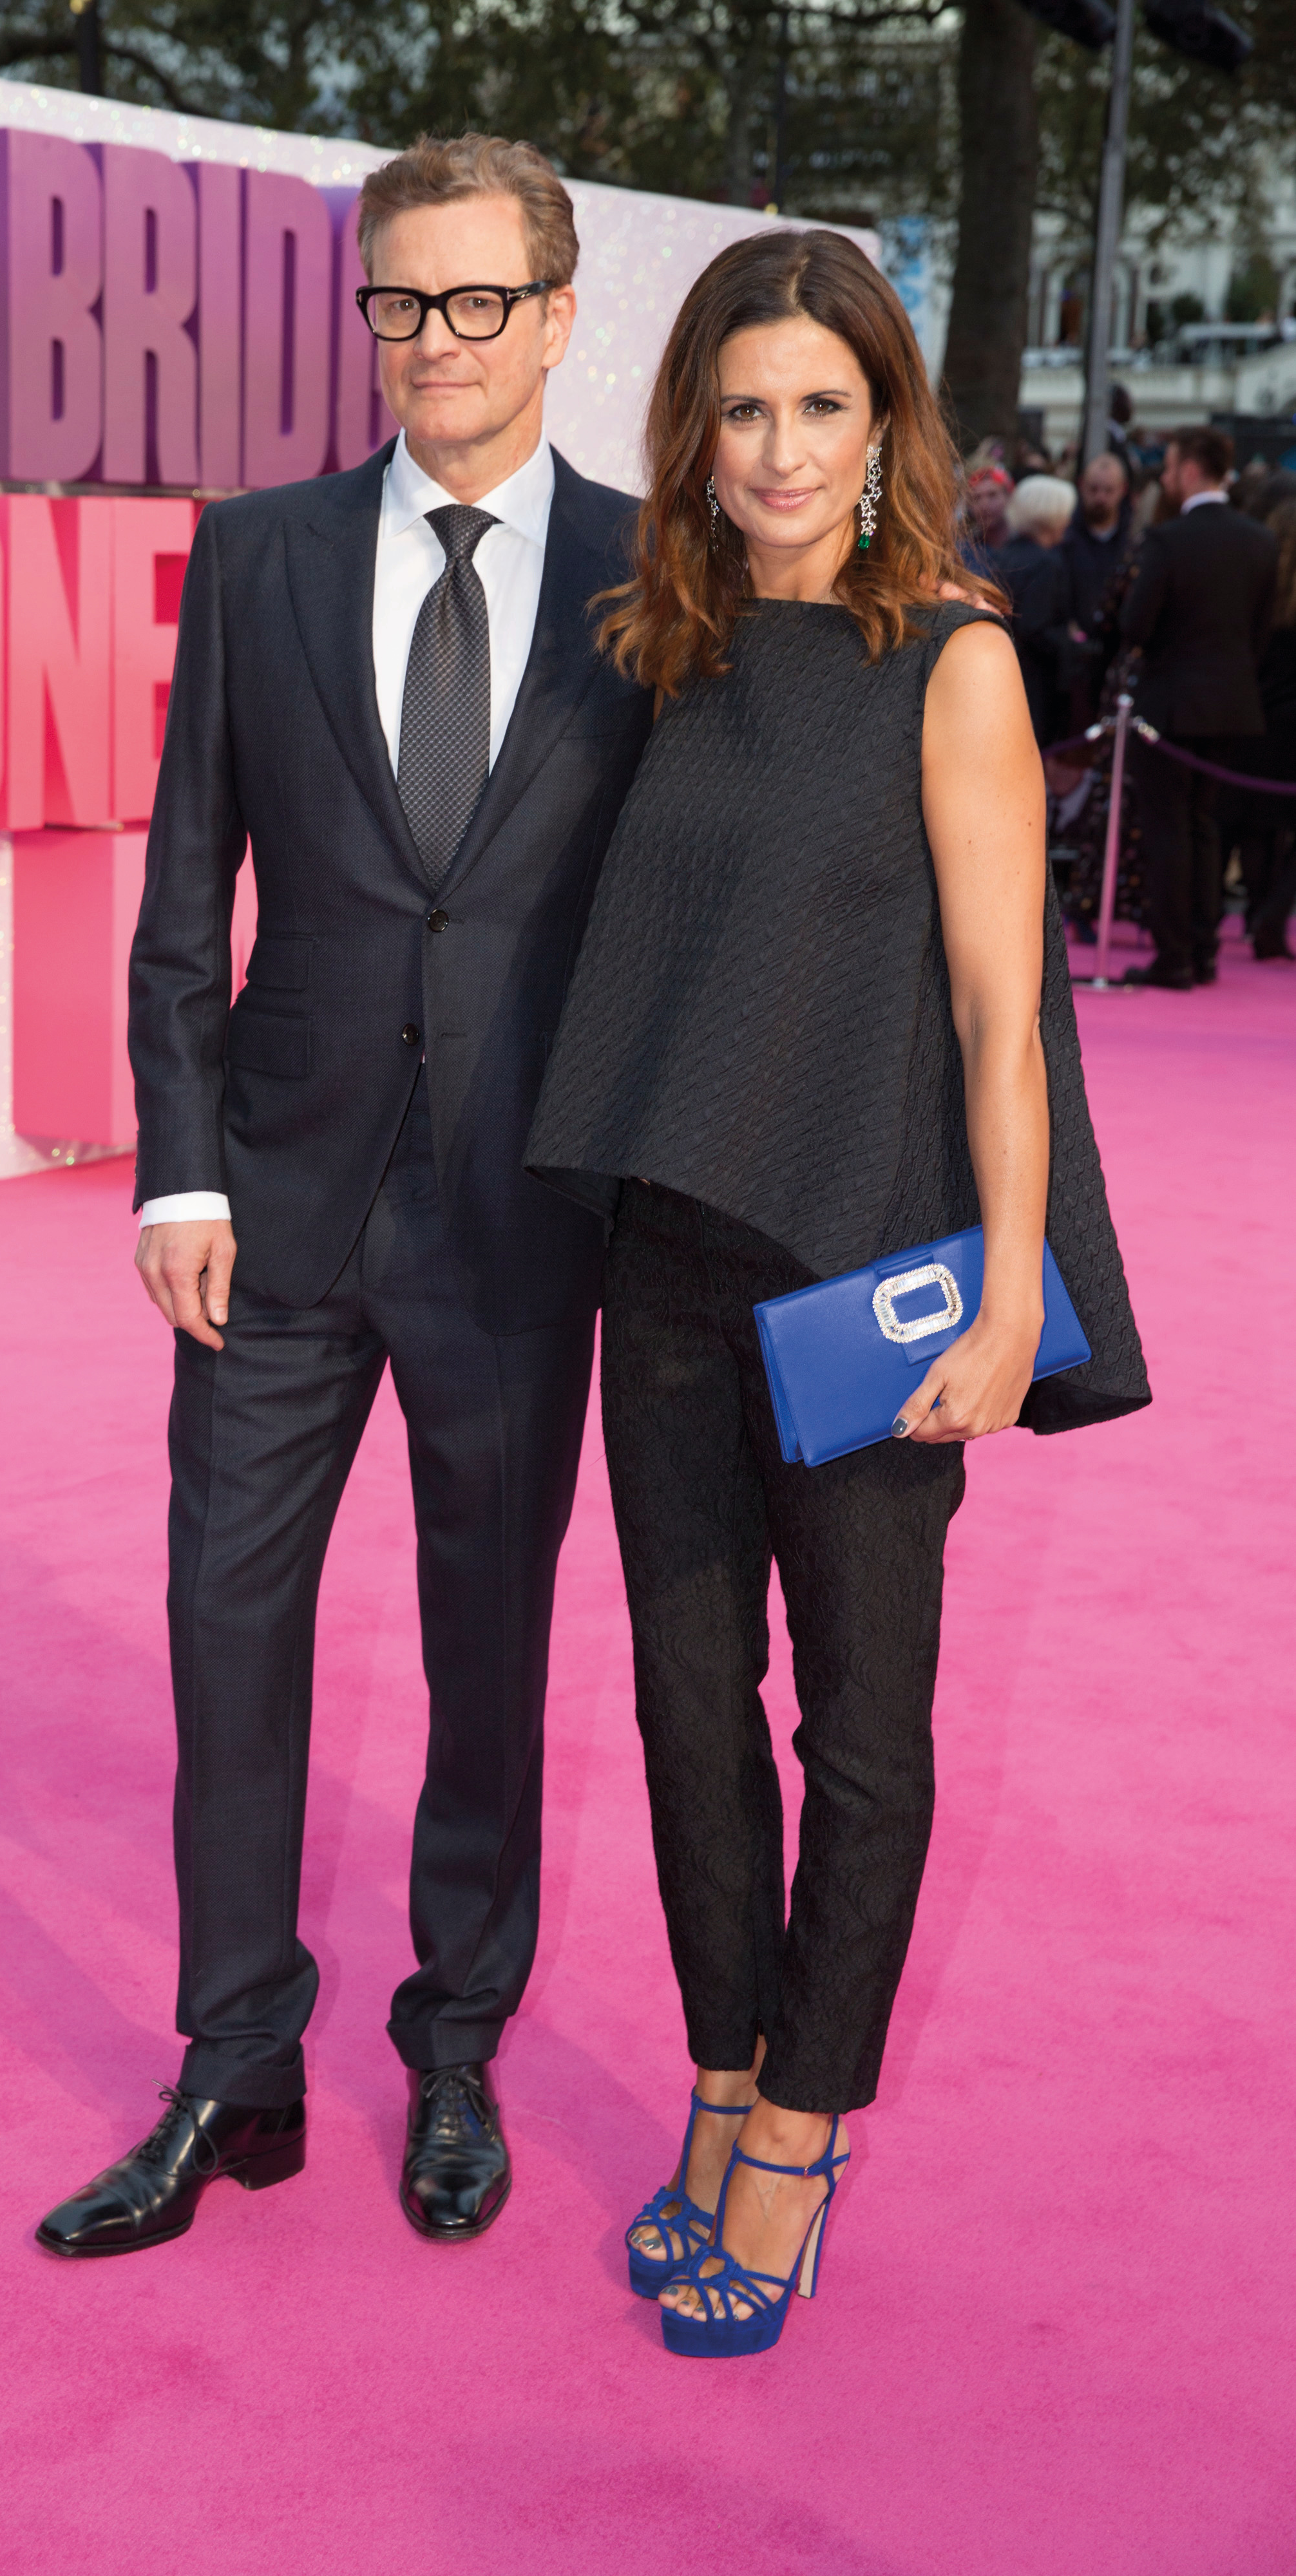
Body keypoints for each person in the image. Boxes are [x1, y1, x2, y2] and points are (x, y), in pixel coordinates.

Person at [527, 226, 1149, 2358]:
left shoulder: (949, 658)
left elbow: (999, 1012)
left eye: (819, 405)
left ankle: (797, 2133)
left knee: (858, 1731)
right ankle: (721, 2076)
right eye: (743, 409)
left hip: (866, 1275)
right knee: (682, 1707)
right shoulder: (666, 647)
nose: (780, 449)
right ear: (693, 431)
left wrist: (1007, 1293)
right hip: (665, 1260)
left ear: (884, 423)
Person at [35, 133, 652, 2260]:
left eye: (477, 300)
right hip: (273, 1209)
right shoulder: (260, 552)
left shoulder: (646, 573)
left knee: (487, 1646)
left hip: (522, 1211)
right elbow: (180, 890)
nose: (434, 339)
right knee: (227, 1632)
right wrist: (172, 1173)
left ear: (554, 316)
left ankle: (454, 2046)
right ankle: (235, 2065)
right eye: (401, 298)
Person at [1119, 425, 1278, 988]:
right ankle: (1203, 950)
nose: (1164, 478)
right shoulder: (1260, 541)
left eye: (1168, 468)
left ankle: (1174, 956)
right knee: (1204, 826)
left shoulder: (1167, 541)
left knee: (1168, 829)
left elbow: (1135, 626)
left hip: (1169, 706)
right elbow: (1259, 632)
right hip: (1231, 705)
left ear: (1188, 471)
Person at [1217, 496, 1296, 961]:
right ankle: (1270, 915)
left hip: (1253, 717)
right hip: (1284, 724)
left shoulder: (1255, 586)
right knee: (1276, 828)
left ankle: (1212, 923)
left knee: (1241, 822)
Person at [995, 473, 1077, 746]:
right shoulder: (1045, 564)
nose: (1069, 521)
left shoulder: (1008, 554)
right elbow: (1033, 628)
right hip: (1033, 683)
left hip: (1005, 675)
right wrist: (1073, 644)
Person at [1062, 451, 1134, 728]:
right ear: (1081, 486)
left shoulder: (1134, 539)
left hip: (1116, 659)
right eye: (1093, 489)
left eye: (1108, 490)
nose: (1100, 498)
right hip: (1074, 664)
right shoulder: (1065, 537)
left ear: (1122, 490)